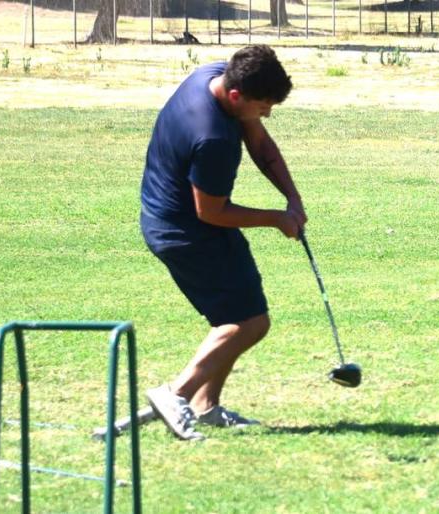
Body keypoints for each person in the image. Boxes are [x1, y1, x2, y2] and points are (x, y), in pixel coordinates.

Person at [139, 45, 305, 440]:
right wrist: (276, 219)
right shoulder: (211, 137)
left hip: (191, 223)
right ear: (236, 96)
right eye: (263, 106)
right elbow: (211, 212)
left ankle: (205, 406)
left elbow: (259, 142)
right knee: (248, 323)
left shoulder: (218, 74)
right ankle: (175, 394)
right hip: (182, 232)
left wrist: (292, 197)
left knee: (239, 311)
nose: (267, 114)